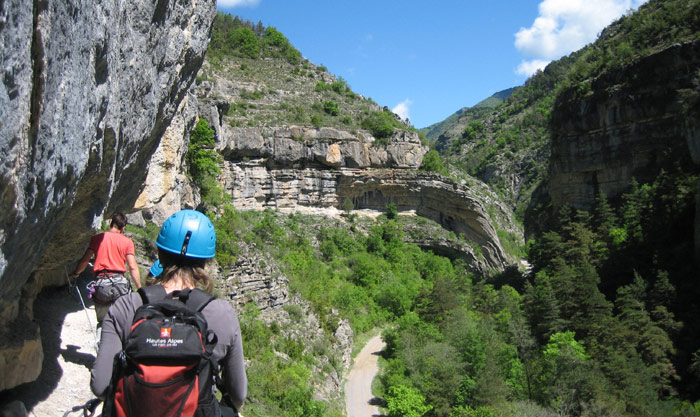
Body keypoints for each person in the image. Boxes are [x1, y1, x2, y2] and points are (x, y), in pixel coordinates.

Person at [90, 209, 247, 414]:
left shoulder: (126, 306)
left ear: (160, 253)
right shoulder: (222, 313)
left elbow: (100, 386)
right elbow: (237, 396)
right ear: (206, 261)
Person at [70, 212, 142, 324]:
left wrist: (76, 274)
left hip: (102, 284)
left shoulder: (97, 239)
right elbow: (132, 267)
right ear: (123, 228)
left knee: (103, 322)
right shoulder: (128, 242)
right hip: (120, 284)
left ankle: (101, 340)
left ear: (110, 223)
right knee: (122, 322)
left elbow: (85, 260)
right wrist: (140, 287)